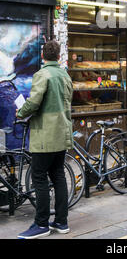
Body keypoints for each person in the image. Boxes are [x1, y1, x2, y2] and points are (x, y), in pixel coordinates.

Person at [16, 40, 73, 239]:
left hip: (45, 136)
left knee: (39, 177)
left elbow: (34, 102)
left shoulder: (42, 75)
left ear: (43, 56)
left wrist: (20, 112)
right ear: (58, 56)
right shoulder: (65, 75)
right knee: (58, 175)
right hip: (62, 133)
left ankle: (41, 224)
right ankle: (61, 222)